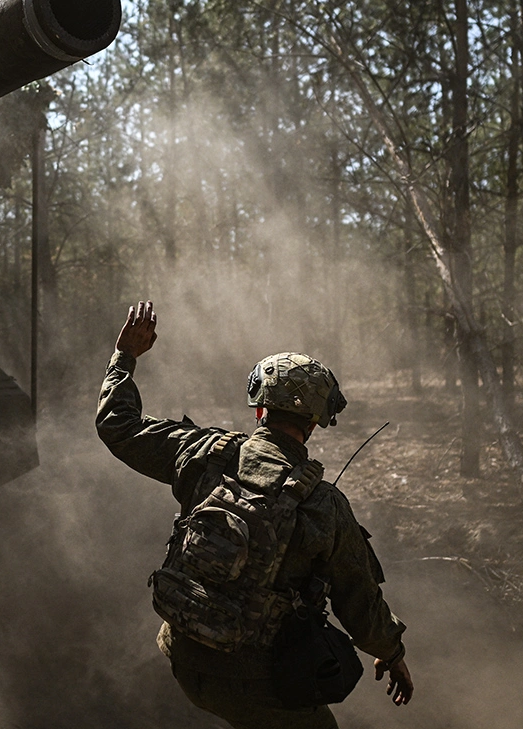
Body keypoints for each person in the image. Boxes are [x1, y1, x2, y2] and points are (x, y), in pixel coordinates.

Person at [96, 301, 413, 729]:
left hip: (184, 656)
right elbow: (360, 604)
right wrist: (392, 654)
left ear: (259, 409)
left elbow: (119, 425)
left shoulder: (202, 452)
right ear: (315, 424)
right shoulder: (324, 505)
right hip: (258, 682)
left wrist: (126, 356)